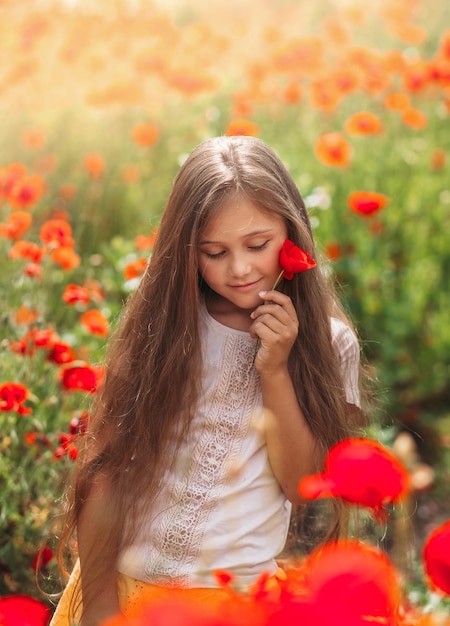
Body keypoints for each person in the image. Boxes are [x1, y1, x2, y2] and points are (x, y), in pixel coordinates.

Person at [50, 135, 365, 626]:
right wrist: (100, 606)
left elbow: (303, 487)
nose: (240, 269)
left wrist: (276, 369)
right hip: (123, 594)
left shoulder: (330, 342)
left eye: (258, 245)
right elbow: (105, 470)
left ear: (292, 230)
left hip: (231, 603)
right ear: (185, 251)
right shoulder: (170, 325)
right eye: (213, 252)